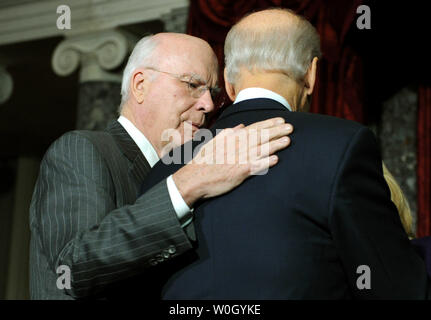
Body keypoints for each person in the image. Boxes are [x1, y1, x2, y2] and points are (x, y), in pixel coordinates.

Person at [141, 9, 431, 299]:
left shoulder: (165, 168)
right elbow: (396, 286)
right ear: (311, 74)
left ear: (228, 83)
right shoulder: (342, 145)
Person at [29, 33, 294, 299]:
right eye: (192, 84)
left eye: (212, 93)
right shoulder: (81, 150)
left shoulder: (189, 170)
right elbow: (73, 268)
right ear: (140, 85)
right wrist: (188, 183)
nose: (209, 104)